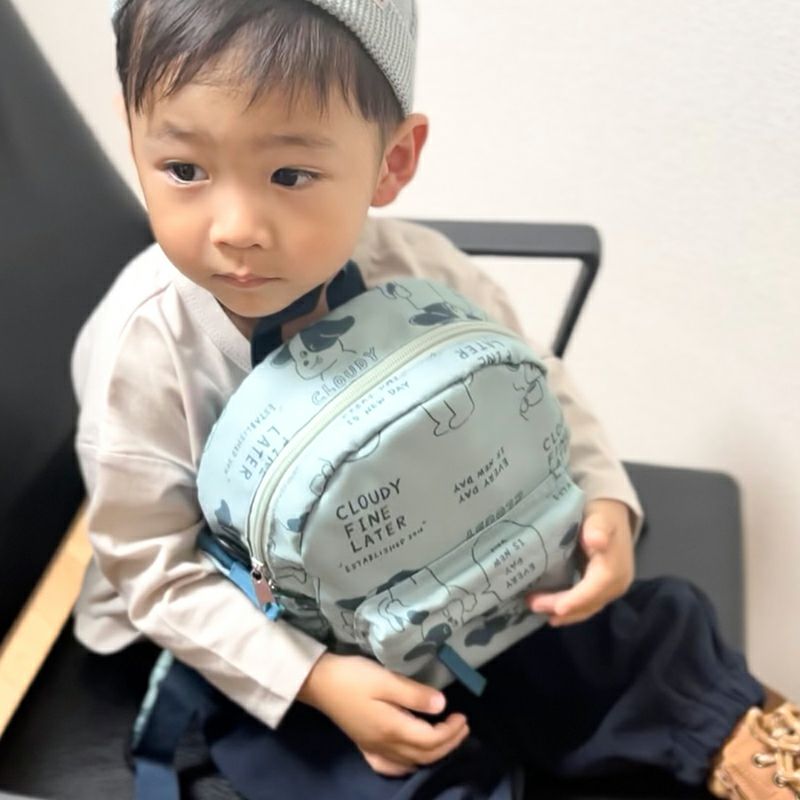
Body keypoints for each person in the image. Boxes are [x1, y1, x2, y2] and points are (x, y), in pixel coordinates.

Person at [71, 1, 798, 797]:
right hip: (280, 628)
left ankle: (747, 746)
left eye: (290, 175)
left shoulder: (423, 269)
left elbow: (538, 378)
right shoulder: (146, 355)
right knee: (358, 766)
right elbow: (154, 568)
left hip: (460, 557)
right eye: (184, 170)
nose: (235, 228)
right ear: (134, 139)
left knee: (639, 638)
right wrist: (317, 681)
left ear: (393, 161)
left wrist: (602, 500)